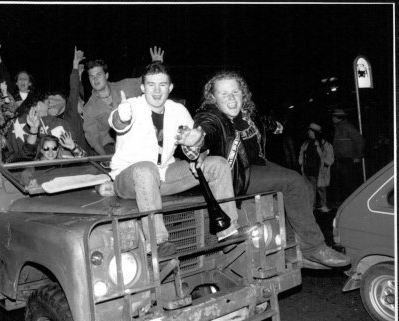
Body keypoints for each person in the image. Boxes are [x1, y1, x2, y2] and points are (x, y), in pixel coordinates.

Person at [193, 71, 349, 268]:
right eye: (224, 94)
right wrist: (196, 137)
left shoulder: (248, 115)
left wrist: (276, 126)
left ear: (243, 94)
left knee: (299, 190)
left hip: (257, 165)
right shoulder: (212, 117)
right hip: (236, 175)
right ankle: (314, 247)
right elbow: (206, 128)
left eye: (235, 92)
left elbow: (263, 121)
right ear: (213, 98)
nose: (231, 98)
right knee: (293, 182)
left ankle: (292, 250)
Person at [109, 63, 241, 257]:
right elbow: (117, 123)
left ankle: (227, 230)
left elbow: (196, 143)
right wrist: (122, 117)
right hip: (129, 178)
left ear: (170, 88)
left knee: (218, 164)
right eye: (151, 85)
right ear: (142, 87)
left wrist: (198, 151)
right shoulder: (131, 106)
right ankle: (158, 242)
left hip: (163, 174)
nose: (156, 90)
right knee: (146, 169)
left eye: (162, 85)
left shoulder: (177, 110)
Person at [83, 46, 165, 155]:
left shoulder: (126, 85)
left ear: (106, 75)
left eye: (99, 75)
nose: (95, 79)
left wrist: (157, 63)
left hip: (136, 140)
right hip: (112, 147)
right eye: (91, 76)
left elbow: (147, 80)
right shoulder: (89, 108)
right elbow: (93, 139)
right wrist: (106, 159)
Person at [330, 108, 365, 206]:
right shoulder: (338, 127)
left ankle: (352, 203)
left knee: (349, 183)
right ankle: (346, 203)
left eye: (333, 117)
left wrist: (357, 156)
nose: (332, 119)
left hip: (348, 160)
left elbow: (359, 141)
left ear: (337, 117)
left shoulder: (347, 127)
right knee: (343, 183)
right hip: (341, 159)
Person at [298, 123, 334, 212]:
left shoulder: (323, 143)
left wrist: (326, 164)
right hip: (308, 170)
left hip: (319, 171)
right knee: (310, 190)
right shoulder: (306, 143)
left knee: (321, 189)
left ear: (314, 132)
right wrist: (301, 163)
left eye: (309, 131)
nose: (308, 132)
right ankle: (312, 206)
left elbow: (330, 155)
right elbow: (301, 154)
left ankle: (323, 205)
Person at [0, 42, 34, 107]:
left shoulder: (34, 97)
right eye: (20, 79)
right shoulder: (12, 95)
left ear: (30, 83)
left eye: (25, 79)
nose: (22, 81)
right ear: (16, 83)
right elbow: (3, 72)